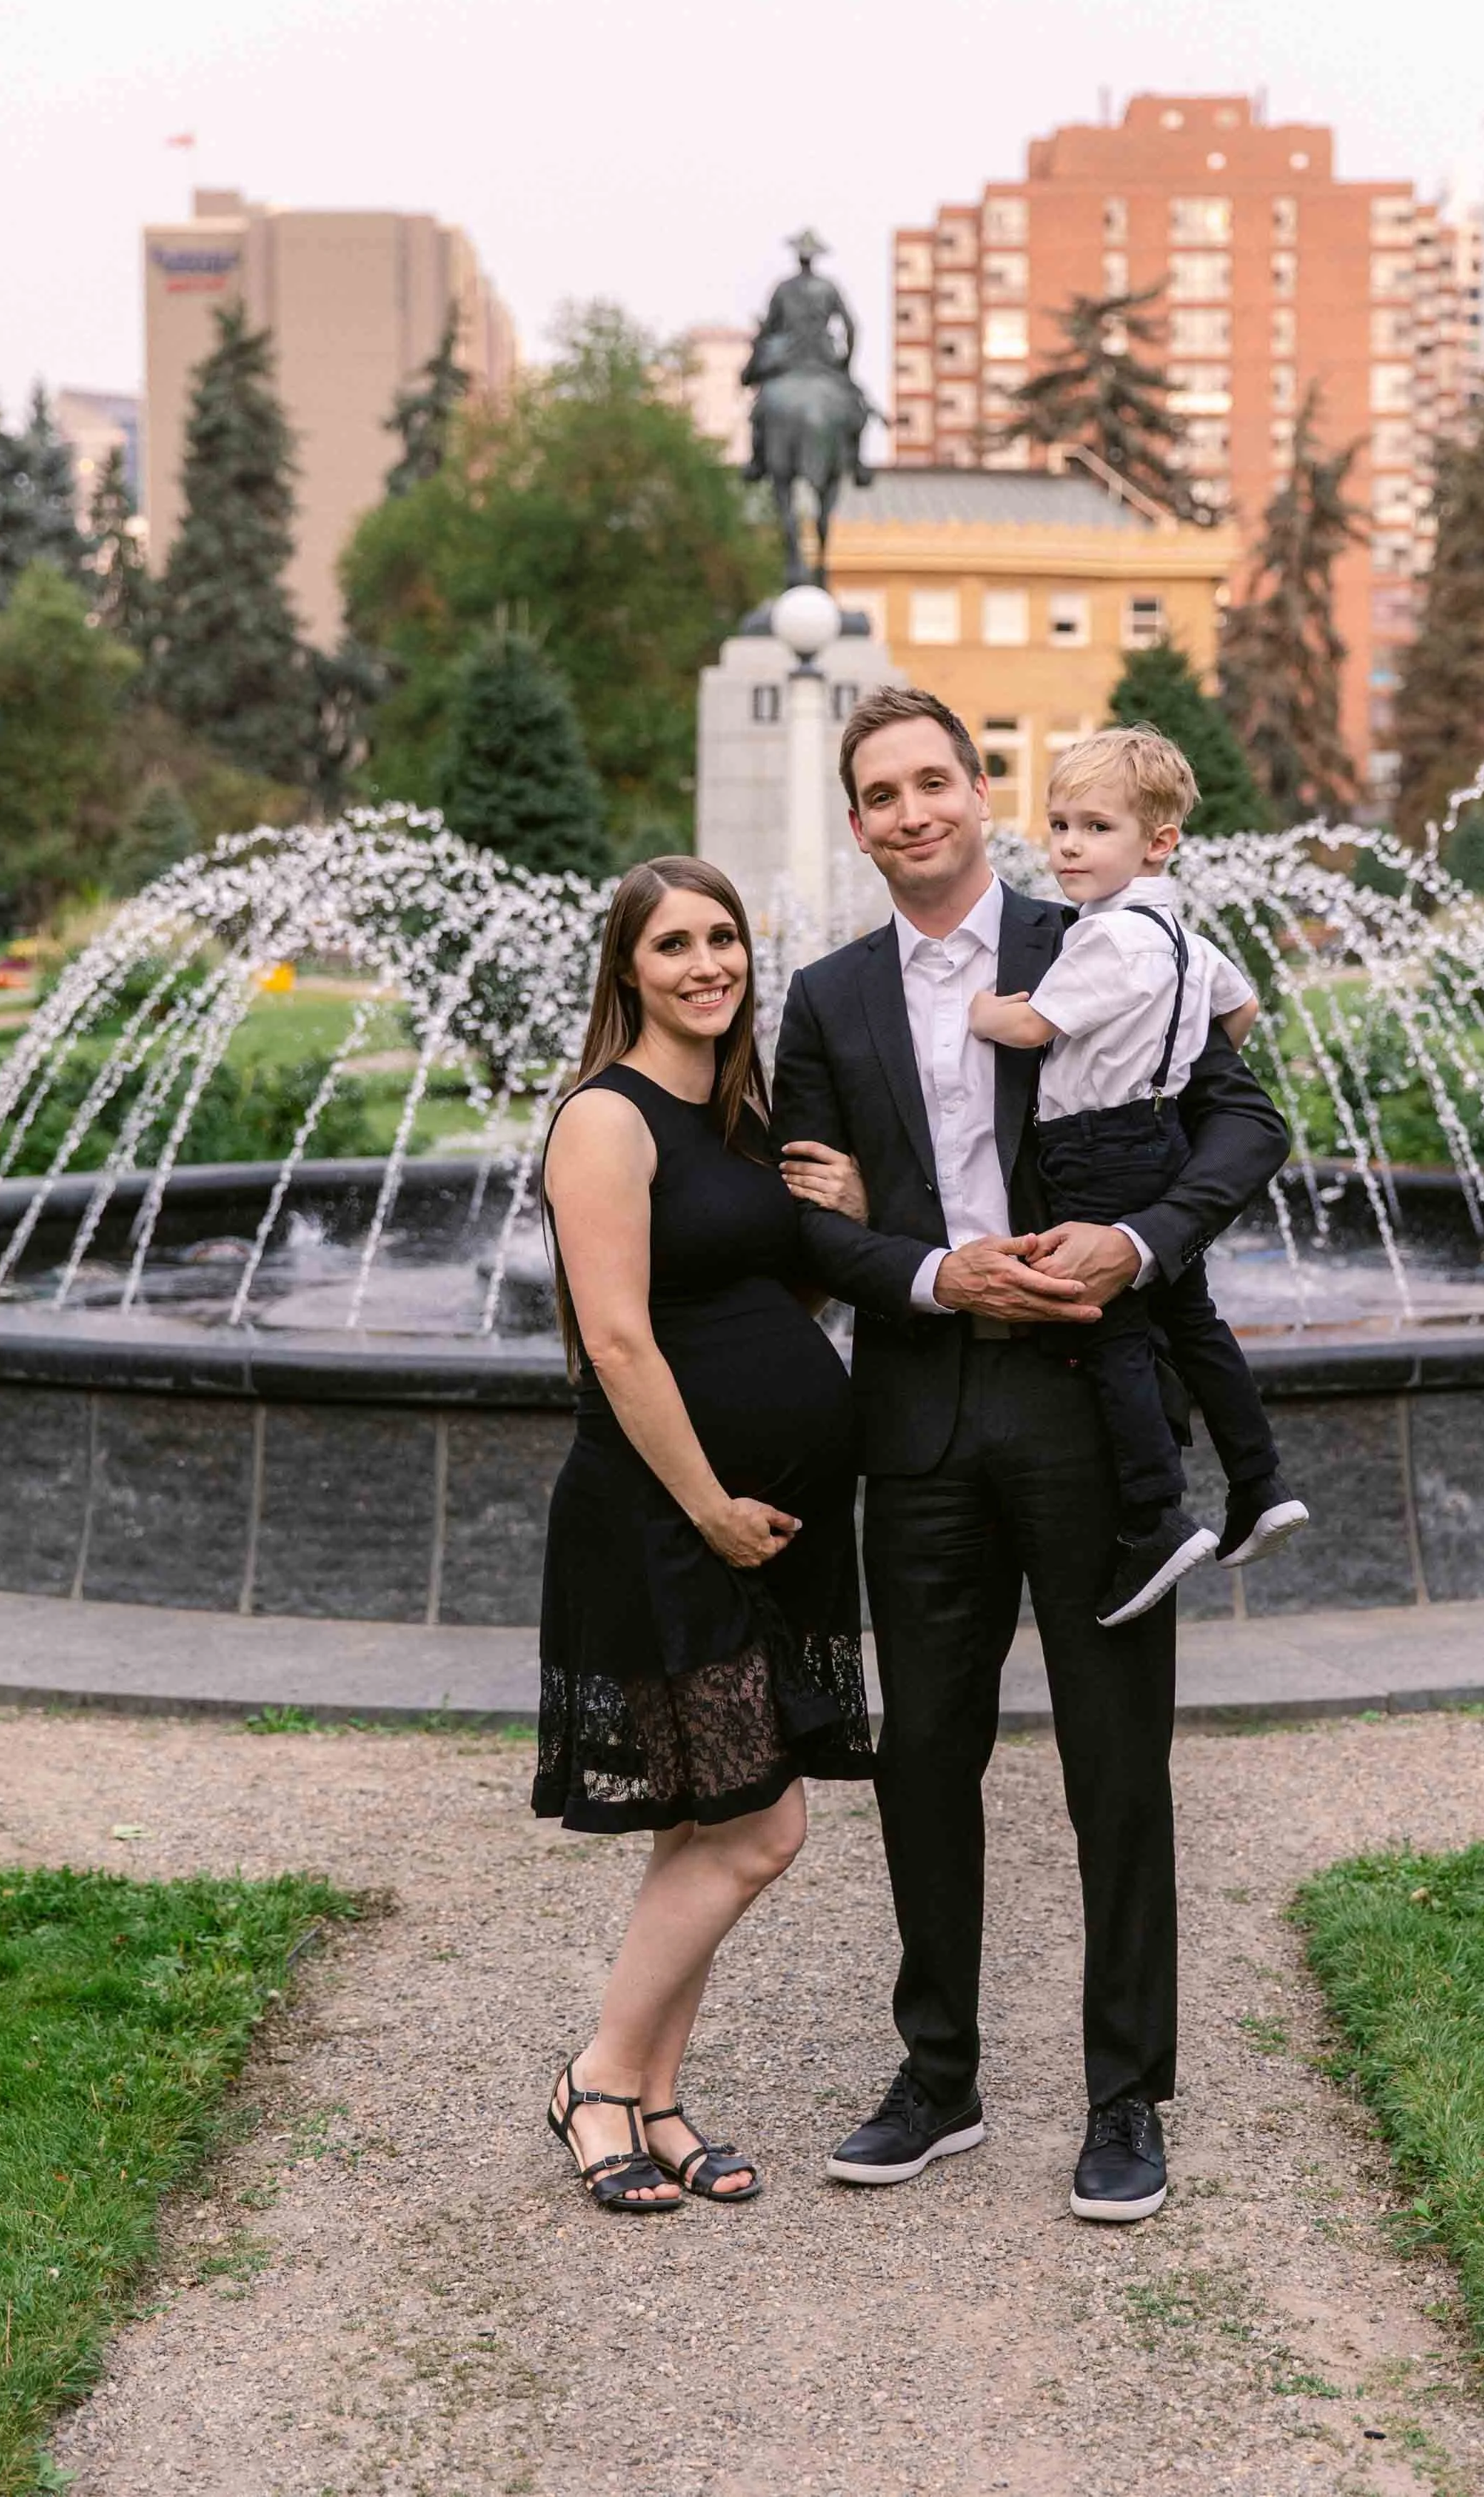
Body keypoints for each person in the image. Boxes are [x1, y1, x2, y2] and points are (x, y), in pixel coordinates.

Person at [772, 687, 1289, 2224]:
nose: (912, 811)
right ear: (855, 822)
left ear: (978, 792)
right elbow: (806, 1218)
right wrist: (930, 1271)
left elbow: (1246, 1125)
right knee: (921, 1755)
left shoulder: (1100, 936)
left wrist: (1137, 1245)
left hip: (1090, 1406)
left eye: (935, 781)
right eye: (880, 793)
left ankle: (1125, 2095)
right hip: (921, 1416)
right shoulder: (825, 999)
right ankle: (937, 2078)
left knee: (1113, 1762)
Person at [532, 856, 873, 2214]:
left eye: (724, 938)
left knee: (710, 1819)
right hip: (667, 1517)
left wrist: (834, 1227)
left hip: (768, 1520)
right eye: (673, 944)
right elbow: (617, 1337)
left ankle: (656, 2099)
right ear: (628, 970)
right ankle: (598, 2081)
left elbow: (756, 1296)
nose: (706, 965)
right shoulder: (604, 1121)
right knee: (761, 1828)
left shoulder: (737, 1114)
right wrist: (708, 1506)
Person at [969, 725, 1308, 1629]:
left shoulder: (1106, 939)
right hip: (1158, 1137)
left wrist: (982, 1011)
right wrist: (1161, 1070)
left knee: (1110, 1327)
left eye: (1094, 828)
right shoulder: (1183, 940)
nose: (1068, 847)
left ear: (1157, 841)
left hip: (1091, 1147)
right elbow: (1242, 1010)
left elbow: (1032, 1030)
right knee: (1191, 1321)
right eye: (1059, 825)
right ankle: (1259, 1481)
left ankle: (1155, 1514)